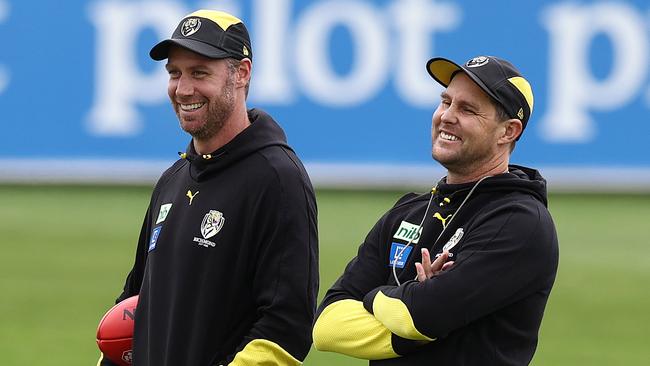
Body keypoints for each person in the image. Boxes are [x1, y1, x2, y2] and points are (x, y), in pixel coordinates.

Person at [99, 9, 318, 366]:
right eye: (174, 73)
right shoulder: (173, 178)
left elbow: (287, 325)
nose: (183, 89)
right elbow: (136, 301)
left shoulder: (279, 180)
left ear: (242, 74)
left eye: (199, 72)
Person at [312, 55, 559, 365]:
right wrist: (416, 302)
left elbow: (418, 317)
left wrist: (375, 296)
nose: (447, 116)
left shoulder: (520, 222)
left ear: (508, 132)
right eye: (445, 102)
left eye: (467, 109)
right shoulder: (408, 210)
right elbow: (326, 327)